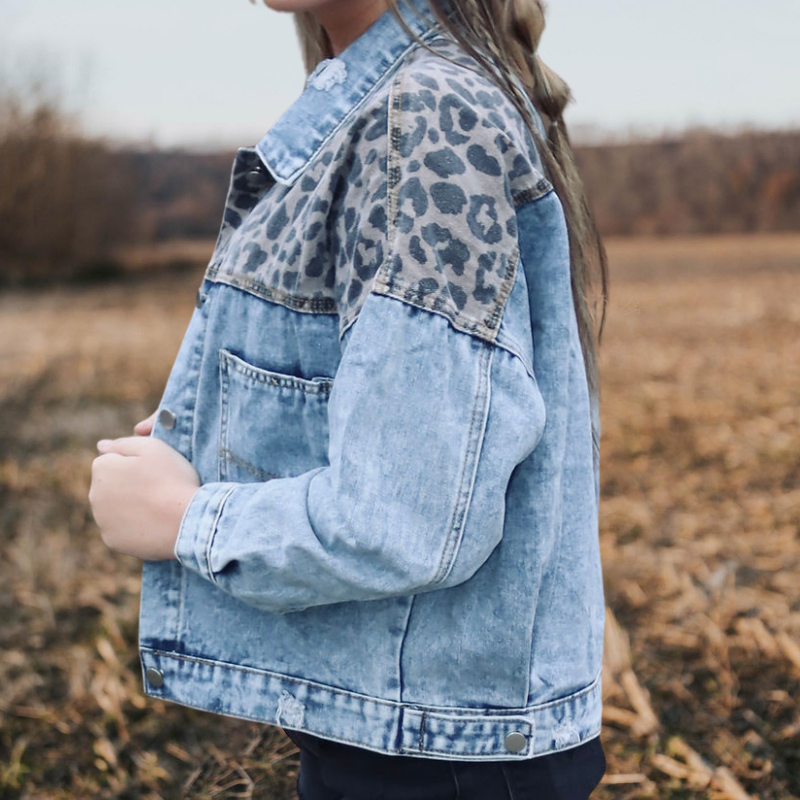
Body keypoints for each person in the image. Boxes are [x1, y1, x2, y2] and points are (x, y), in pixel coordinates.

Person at [88, 0, 611, 797]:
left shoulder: (426, 115)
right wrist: (226, 439)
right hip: (417, 737)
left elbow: (411, 518)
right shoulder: (399, 98)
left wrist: (187, 521)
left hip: (434, 760)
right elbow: (394, 409)